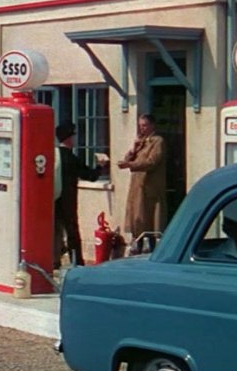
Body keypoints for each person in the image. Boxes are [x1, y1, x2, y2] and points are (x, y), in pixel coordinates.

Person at [53, 121, 108, 268]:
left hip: (53, 200)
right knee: (72, 233)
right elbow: (90, 176)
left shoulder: (54, 156)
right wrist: (100, 166)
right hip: (68, 201)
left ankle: (54, 261)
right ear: (69, 138)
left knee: (54, 231)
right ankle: (77, 262)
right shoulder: (71, 158)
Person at [118, 114, 167, 239]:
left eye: (144, 125)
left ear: (152, 125)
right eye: (140, 126)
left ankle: (150, 246)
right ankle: (137, 244)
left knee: (149, 218)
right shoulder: (141, 142)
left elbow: (152, 161)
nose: (142, 129)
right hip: (138, 185)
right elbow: (128, 158)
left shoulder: (157, 141)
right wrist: (133, 150)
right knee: (137, 218)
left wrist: (131, 164)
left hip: (150, 186)